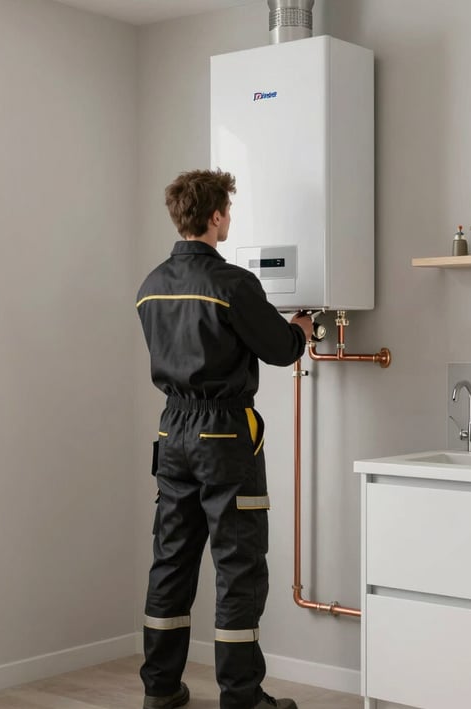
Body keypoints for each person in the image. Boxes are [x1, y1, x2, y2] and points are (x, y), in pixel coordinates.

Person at [136, 169, 313, 709]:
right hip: (224, 435)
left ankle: (160, 689)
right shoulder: (233, 284)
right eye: (228, 211)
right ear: (215, 216)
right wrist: (301, 330)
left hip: (172, 430)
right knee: (238, 566)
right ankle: (241, 695)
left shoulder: (150, 287)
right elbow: (280, 349)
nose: (229, 218)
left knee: (171, 560)